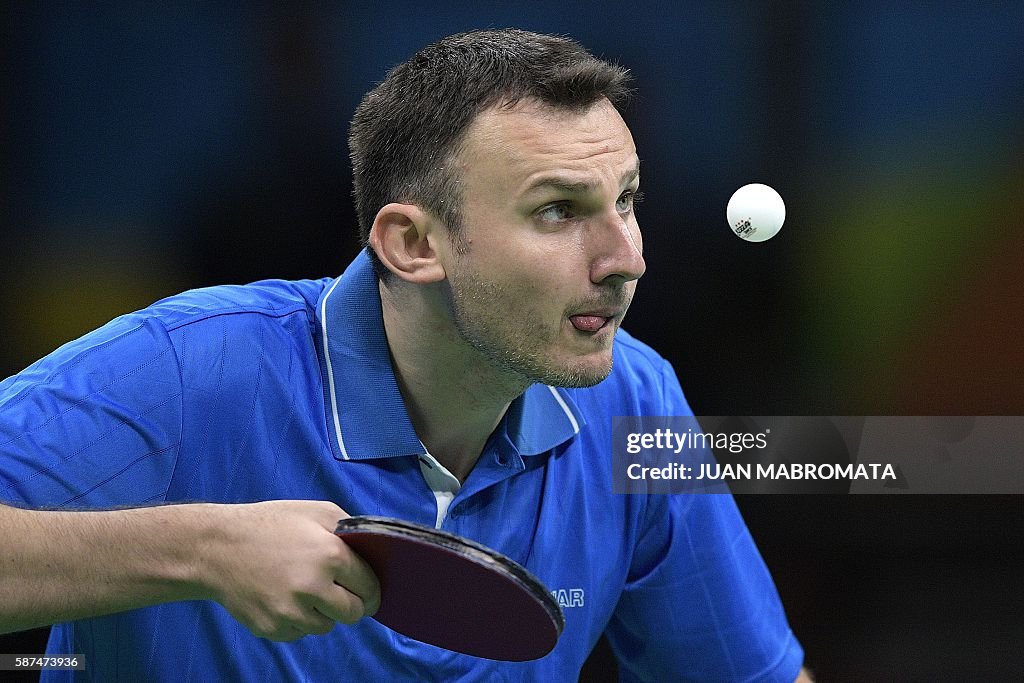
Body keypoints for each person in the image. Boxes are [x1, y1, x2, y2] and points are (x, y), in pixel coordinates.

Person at [0, 29, 810, 681]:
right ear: (414, 243)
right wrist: (202, 550)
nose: (626, 258)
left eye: (626, 200)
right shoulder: (187, 370)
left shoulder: (635, 402)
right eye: (559, 211)